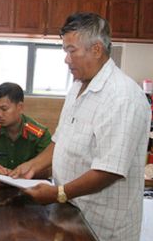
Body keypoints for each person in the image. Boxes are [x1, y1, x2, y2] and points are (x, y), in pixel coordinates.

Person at [10, 13, 151, 241]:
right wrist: (31, 166)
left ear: (96, 49)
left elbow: (109, 170)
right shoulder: (77, 86)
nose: (66, 59)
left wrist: (59, 193)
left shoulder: (122, 97)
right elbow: (60, 140)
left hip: (103, 226)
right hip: (71, 213)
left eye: (71, 50)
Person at [0, 82, 51, 186]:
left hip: (29, 192)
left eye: (4, 109)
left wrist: (30, 172)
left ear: (20, 107)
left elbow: (48, 170)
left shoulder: (40, 135)